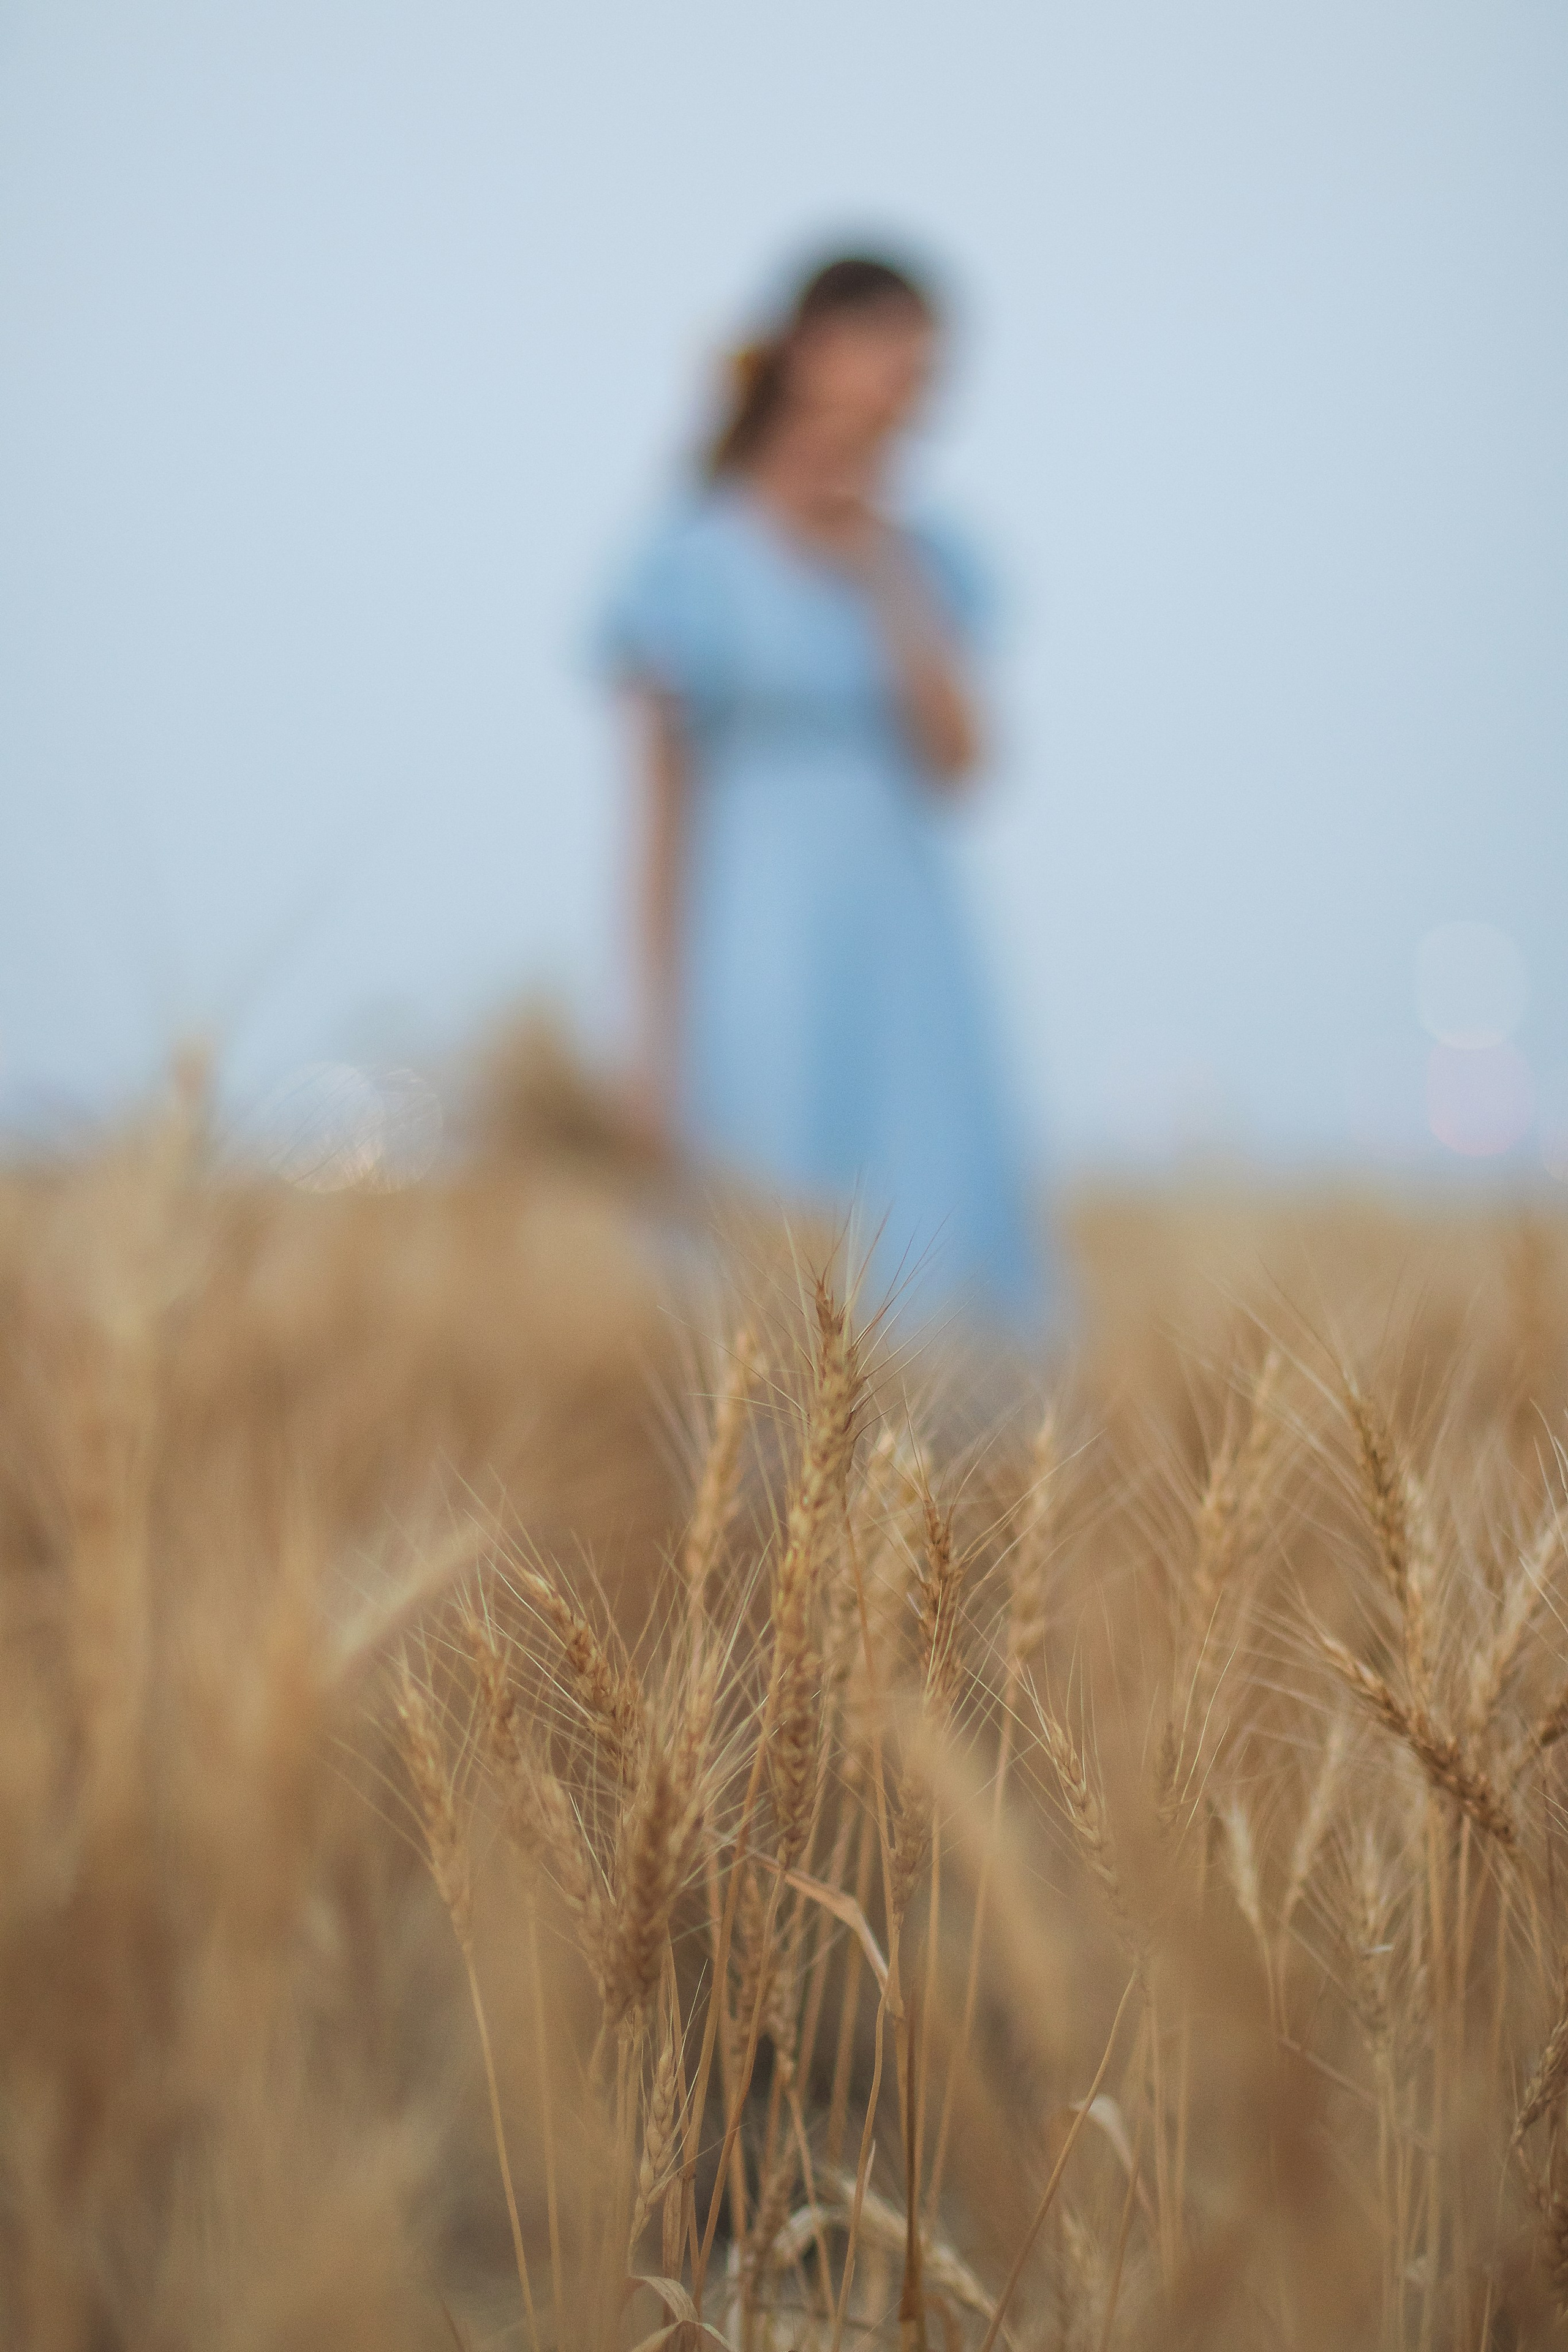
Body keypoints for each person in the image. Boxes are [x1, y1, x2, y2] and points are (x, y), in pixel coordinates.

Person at [599, 251, 1052, 1336]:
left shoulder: (926, 559)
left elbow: (965, 762)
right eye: (888, 352)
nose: (911, 385)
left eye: (928, 367)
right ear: (808, 351)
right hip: (751, 943)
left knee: (930, 1231)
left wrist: (882, 569)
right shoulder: (692, 563)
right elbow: (657, 808)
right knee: (761, 1246)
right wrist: (654, 1036)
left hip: (906, 942)